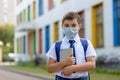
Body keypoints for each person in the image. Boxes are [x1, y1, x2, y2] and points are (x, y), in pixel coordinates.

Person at [46, 12, 97, 80]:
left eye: (73, 25)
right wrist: (63, 63)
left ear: (79, 26)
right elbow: (49, 68)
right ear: (62, 26)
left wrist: (72, 68)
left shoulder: (86, 43)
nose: (70, 28)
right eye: (67, 25)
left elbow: (92, 64)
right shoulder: (57, 45)